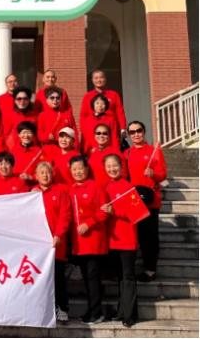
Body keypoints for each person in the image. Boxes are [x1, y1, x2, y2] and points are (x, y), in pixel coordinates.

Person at [68, 156, 109, 325]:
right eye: (74, 169)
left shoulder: (95, 187)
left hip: (93, 240)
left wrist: (89, 223)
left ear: (86, 169)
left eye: (80, 168)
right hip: (79, 242)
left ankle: (97, 312)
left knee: (92, 277)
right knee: (86, 276)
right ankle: (92, 309)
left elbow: (104, 211)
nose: (77, 172)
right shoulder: (71, 190)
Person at [125, 121, 167, 283]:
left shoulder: (153, 151)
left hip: (150, 199)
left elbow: (163, 174)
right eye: (132, 132)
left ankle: (150, 269)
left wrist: (153, 174)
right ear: (129, 135)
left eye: (139, 130)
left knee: (149, 235)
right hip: (134, 199)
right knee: (139, 235)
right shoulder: (127, 153)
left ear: (144, 131)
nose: (136, 134)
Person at [101, 154, 139, 328]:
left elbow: (137, 212)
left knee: (128, 277)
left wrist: (115, 212)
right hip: (112, 240)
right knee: (121, 278)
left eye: (115, 165)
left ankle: (130, 315)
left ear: (122, 167)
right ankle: (122, 311)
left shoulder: (129, 187)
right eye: (108, 166)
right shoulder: (105, 187)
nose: (112, 169)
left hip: (127, 239)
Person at [32, 162, 72, 324]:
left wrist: (58, 234)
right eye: (41, 172)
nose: (45, 175)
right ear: (36, 176)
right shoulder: (32, 194)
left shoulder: (60, 192)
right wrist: (30, 197)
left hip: (56, 243)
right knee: (38, 277)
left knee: (58, 277)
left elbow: (65, 216)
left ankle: (62, 309)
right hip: (37, 245)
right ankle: (40, 309)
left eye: (47, 172)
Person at [80, 70, 127, 138]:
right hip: (92, 128)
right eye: (96, 78)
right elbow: (83, 115)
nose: (99, 80)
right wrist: (83, 130)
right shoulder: (88, 96)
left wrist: (123, 128)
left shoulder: (114, 95)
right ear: (92, 80)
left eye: (101, 77)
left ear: (105, 79)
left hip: (111, 129)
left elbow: (120, 113)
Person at [37, 87, 79, 159]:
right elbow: (39, 135)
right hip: (48, 151)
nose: (55, 100)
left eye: (57, 98)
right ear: (46, 100)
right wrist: (47, 137)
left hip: (65, 150)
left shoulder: (67, 114)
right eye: (52, 98)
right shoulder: (42, 116)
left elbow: (74, 133)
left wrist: (76, 149)